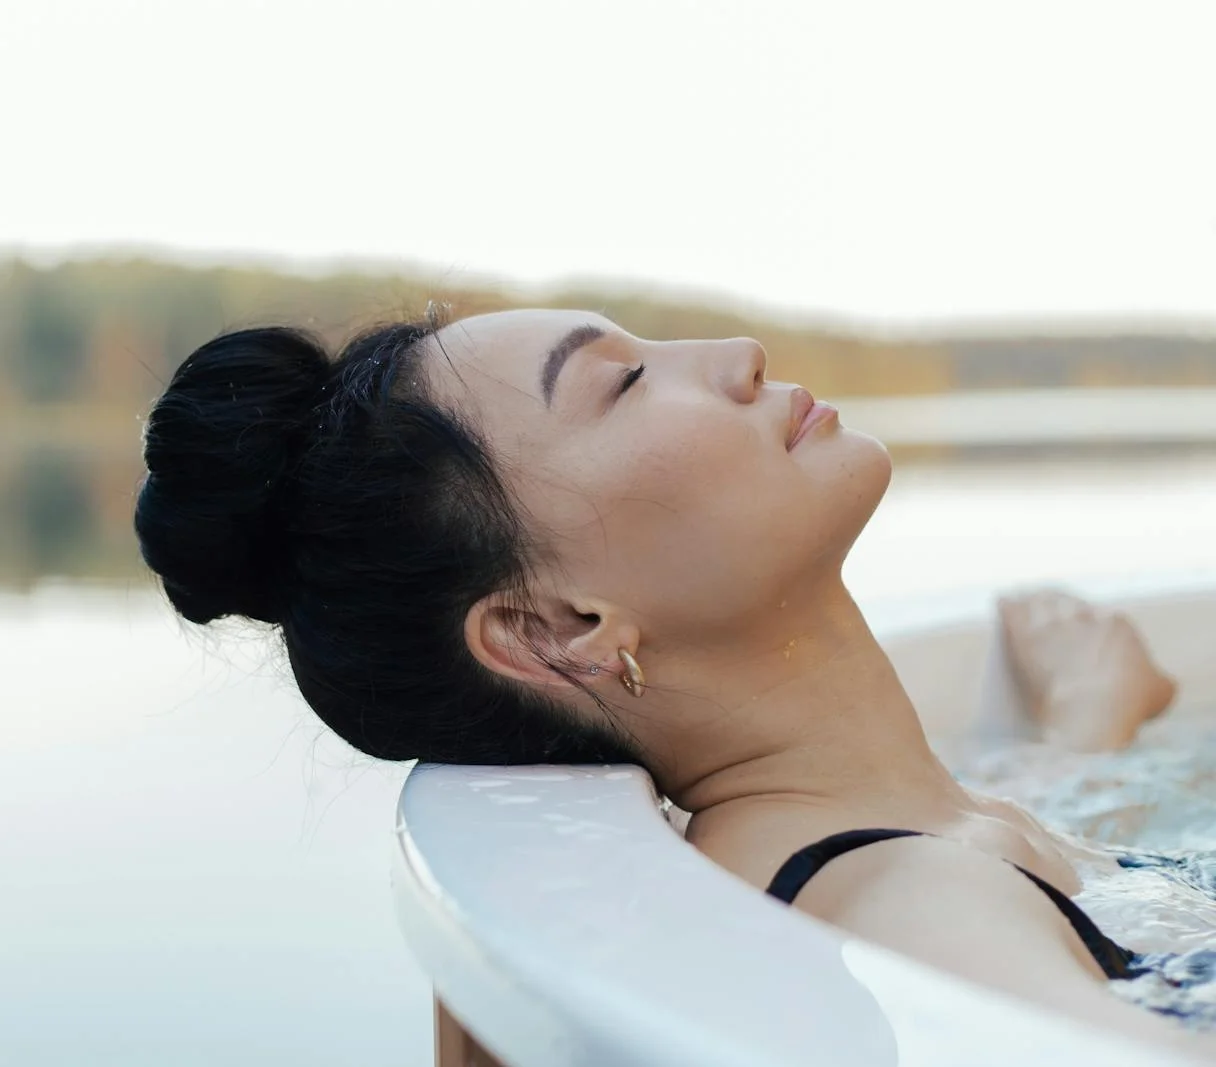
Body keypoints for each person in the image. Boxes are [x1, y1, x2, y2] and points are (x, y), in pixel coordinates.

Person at [135, 306, 1204, 1057]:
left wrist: (1084, 730)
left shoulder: (886, 831)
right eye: (625, 381)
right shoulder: (908, 900)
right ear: (559, 628)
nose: (737, 354)